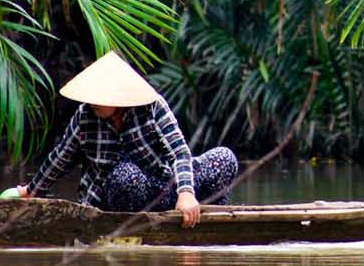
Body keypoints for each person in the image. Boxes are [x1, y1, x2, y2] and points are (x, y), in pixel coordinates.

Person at [13, 51, 238, 228]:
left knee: (224, 159)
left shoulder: (151, 107)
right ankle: (133, 229)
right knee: (126, 177)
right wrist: (32, 191)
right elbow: (60, 158)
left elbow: (178, 151)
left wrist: (186, 192)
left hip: (160, 188)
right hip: (115, 197)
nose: (93, 102)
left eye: (100, 97)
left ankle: (196, 219)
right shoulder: (85, 116)